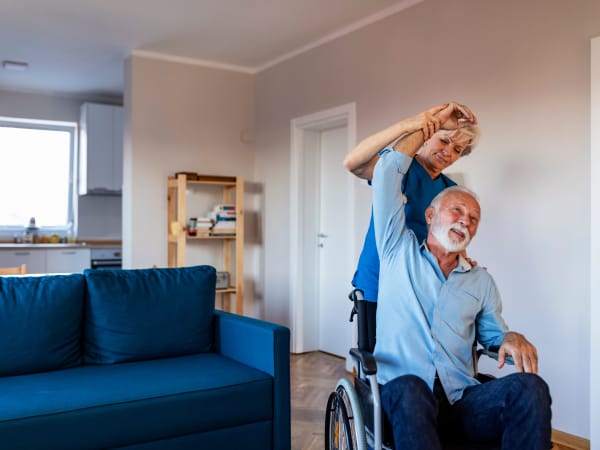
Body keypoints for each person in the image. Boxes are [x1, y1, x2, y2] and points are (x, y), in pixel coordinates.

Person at [369, 106, 552, 449]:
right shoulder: (397, 251)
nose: (466, 221)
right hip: (403, 398)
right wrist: (423, 128)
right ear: (430, 214)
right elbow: (386, 174)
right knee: (411, 387)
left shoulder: (480, 281)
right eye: (457, 210)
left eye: (474, 218)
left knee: (530, 387)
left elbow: (494, 336)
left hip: (460, 401)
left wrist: (511, 337)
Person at [343, 102, 479, 350]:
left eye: (458, 149)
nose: (449, 152)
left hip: (420, 284)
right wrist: (415, 124)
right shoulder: (400, 168)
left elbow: (453, 239)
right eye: (444, 141)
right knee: (378, 358)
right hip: (380, 277)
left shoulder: (450, 189)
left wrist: (464, 265)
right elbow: (354, 163)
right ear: (427, 137)